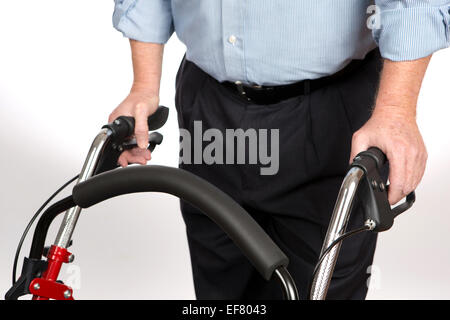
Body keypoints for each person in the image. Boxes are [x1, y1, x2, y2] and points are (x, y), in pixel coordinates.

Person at [109, 0, 450, 299]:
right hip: (209, 105)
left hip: (329, 112)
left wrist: (396, 109)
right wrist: (144, 85)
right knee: (222, 289)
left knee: (321, 288)